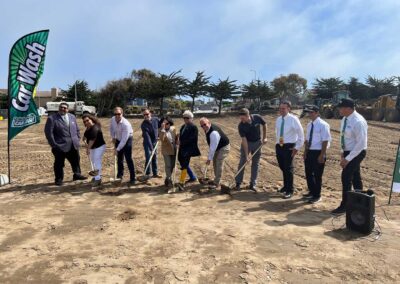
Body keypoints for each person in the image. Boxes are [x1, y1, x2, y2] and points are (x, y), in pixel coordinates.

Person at [332, 98, 368, 215]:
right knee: (356, 176)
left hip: (357, 152)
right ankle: (360, 201)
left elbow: (361, 144)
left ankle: (345, 205)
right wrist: (343, 152)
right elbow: (344, 137)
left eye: (341, 108)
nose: (339, 110)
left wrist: (347, 159)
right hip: (348, 151)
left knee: (346, 176)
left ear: (348, 108)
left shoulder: (358, 121)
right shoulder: (345, 119)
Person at [44, 102, 87, 186]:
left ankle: (77, 174)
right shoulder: (52, 118)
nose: (63, 109)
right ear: (59, 108)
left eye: (65, 108)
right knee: (59, 163)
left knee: (76, 161)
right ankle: (59, 179)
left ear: (68, 109)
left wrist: (77, 139)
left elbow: (77, 129)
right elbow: (49, 133)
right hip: (60, 146)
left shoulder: (72, 117)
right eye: (61, 107)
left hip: (73, 145)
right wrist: (54, 144)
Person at [302, 105, 331, 204]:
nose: (309, 114)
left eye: (311, 112)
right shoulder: (310, 124)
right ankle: (311, 191)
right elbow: (307, 140)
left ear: (317, 112)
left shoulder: (323, 125)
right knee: (308, 173)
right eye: (308, 112)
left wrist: (322, 154)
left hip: (318, 152)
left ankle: (317, 195)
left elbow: (325, 141)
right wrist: (305, 152)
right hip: (310, 151)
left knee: (317, 175)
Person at [275, 101, 304, 199]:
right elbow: (278, 132)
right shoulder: (279, 119)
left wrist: (297, 148)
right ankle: (285, 186)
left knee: (288, 168)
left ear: (289, 109)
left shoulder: (293, 119)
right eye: (280, 108)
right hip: (279, 145)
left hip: (289, 146)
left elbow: (301, 134)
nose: (281, 110)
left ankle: (290, 190)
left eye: (283, 108)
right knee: (282, 166)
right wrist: (277, 143)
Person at [234, 108, 267, 192]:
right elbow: (244, 141)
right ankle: (238, 182)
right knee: (242, 162)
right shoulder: (241, 126)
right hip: (247, 143)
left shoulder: (257, 117)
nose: (241, 120)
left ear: (248, 115)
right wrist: (246, 155)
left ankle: (253, 184)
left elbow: (264, 124)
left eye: (243, 118)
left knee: (255, 163)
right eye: (240, 118)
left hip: (257, 143)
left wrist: (264, 137)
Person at [199, 117, 231, 190]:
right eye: (202, 126)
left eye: (204, 124)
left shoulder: (213, 133)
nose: (203, 127)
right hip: (217, 147)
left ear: (209, 123)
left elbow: (213, 148)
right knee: (215, 162)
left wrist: (209, 159)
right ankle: (216, 179)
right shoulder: (207, 129)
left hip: (224, 147)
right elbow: (213, 147)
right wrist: (211, 158)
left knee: (219, 162)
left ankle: (216, 183)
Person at [109, 107, 136, 185]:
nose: (117, 115)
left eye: (119, 114)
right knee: (119, 159)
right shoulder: (113, 119)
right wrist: (113, 137)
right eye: (115, 114)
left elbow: (124, 140)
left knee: (128, 159)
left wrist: (117, 149)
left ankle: (133, 178)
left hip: (127, 140)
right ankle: (119, 176)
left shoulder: (126, 124)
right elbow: (111, 129)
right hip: (118, 138)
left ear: (122, 114)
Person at [177, 110, 201, 190]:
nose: (185, 119)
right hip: (182, 148)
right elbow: (181, 136)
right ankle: (193, 177)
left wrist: (181, 142)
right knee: (181, 161)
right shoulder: (183, 126)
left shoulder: (193, 127)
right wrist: (178, 138)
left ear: (191, 118)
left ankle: (182, 181)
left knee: (184, 164)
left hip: (188, 149)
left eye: (187, 118)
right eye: (184, 118)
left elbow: (192, 139)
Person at [82, 114, 106, 187]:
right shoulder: (88, 128)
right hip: (92, 147)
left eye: (87, 120)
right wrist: (85, 141)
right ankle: (95, 177)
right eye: (85, 121)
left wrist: (87, 149)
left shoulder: (95, 128)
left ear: (91, 119)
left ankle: (98, 179)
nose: (86, 122)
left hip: (99, 147)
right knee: (93, 162)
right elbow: (84, 137)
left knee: (96, 162)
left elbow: (92, 140)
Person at [141, 108, 161, 178]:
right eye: (144, 115)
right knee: (148, 157)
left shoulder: (156, 119)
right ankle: (147, 174)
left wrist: (159, 135)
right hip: (147, 143)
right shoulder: (143, 125)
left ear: (150, 114)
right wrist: (151, 148)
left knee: (155, 157)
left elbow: (160, 126)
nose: (146, 116)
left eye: (147, 114)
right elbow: (147, 137)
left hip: (155, 141)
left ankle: (155, 173)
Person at [159, 116, 177, 187]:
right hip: (166, 150)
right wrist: (163, 129)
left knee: (172, 165)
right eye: (164, 123)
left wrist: (178, 139)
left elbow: (176, 137)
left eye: (167, 123)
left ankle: (167, 178)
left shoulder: (173, 129)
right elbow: (162, 139)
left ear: (170, 123)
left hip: (174, 149)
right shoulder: (160, 130)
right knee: (168, 165)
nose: (166, 125)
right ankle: (169, 180)